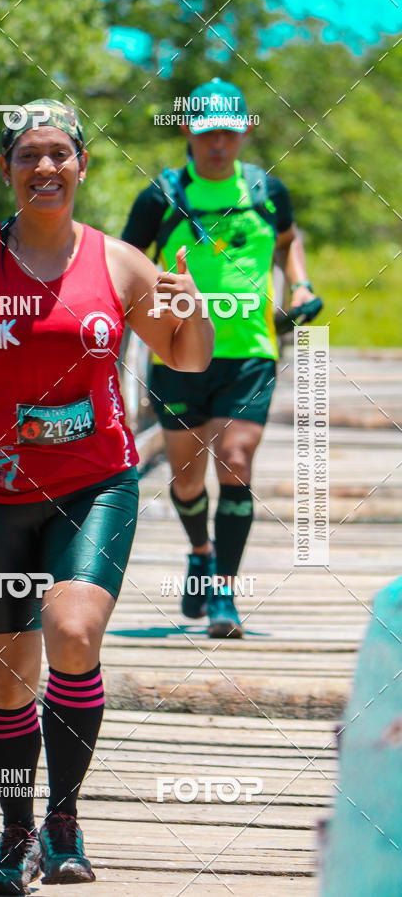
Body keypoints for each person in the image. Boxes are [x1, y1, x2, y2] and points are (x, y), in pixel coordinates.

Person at [0, 99, 213, 895]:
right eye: (28, 156)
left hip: (95, 484)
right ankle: (14, 834)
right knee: (6, 679)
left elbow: (183, 358)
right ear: (6, 169)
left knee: (73, 633)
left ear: (82, 167)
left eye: (59, 155)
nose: (45, 168)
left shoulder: (115, 264)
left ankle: (64, 821)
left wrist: (195, 307)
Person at [122, 78, 315, 638]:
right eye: (207, 133)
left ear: (245, 132)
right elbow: (124, 262)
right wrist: (157, 289)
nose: (218, 144)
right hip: (178, 353)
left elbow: (287, 238)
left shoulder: (266, 190)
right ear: (187, 130)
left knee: (236, 457)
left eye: (229, 133)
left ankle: (223, 593)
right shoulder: (162, 195)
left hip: (250, 352)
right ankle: (200, 554)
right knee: (186, 478)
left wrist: (298, 286)